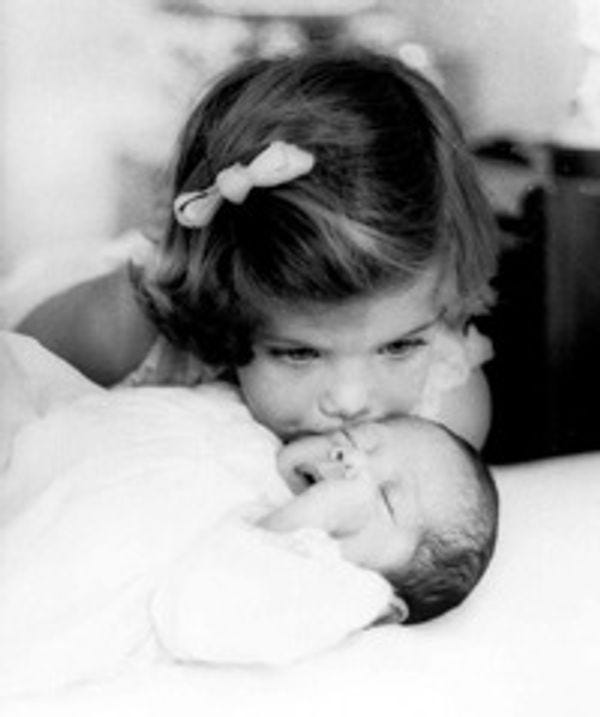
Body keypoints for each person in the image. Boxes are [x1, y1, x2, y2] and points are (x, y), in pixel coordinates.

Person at [16, 46, 501, 450]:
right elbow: (16, 378)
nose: (351, 401)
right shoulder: (122, 327)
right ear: (227, 298)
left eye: (399, 346)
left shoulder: (445, 409)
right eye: (299, 354)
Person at [264, 414, 499, 624]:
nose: (353, 459)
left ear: (374, 607)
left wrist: (319, 509)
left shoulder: (300, 614)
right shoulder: (252, 435)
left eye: (386, 499)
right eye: (356, 439)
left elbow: (254, 568)